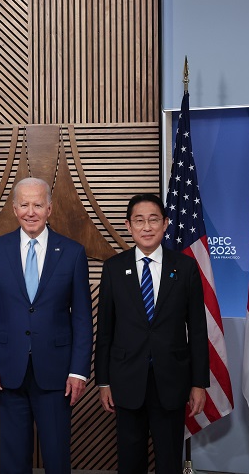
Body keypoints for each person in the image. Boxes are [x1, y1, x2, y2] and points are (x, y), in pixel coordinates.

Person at [0, 177, 93, 474]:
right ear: (14, 208)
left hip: (56, 373)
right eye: (24, 204)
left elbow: (81, 318)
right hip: (7, 371)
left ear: (49, 208)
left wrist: (79, 370)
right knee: (14, 460)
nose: (31, 211)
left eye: (37, 204)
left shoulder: (73, 252)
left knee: (56, 456)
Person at [95, 192, 209, 474]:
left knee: (169, 459)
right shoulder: (113, 268)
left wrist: (199, 383)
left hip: (171, 380)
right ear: (128, 225)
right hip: (126, 380)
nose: (147, 227)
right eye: (139, 220)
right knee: (130, 460)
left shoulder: (185, 267)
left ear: (166, 223)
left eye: (153, 220)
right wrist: (103, 381)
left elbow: (197, 329)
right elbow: (105, 330)